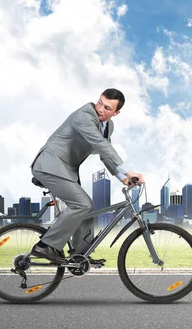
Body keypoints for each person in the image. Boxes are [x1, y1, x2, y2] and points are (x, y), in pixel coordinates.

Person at [29, 88, 144, 265]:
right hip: (50, 165)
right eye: (100, 103)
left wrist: (123, 178)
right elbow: (100, 144)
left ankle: (80, 254)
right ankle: (46, 245)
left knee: (88, 209)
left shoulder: (108, 126)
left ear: (116, 113)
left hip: (66, 170)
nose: (100, 109)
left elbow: (106, 153)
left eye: (107, 108)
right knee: (82, 204)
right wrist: (128, 170)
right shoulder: (84, 116)